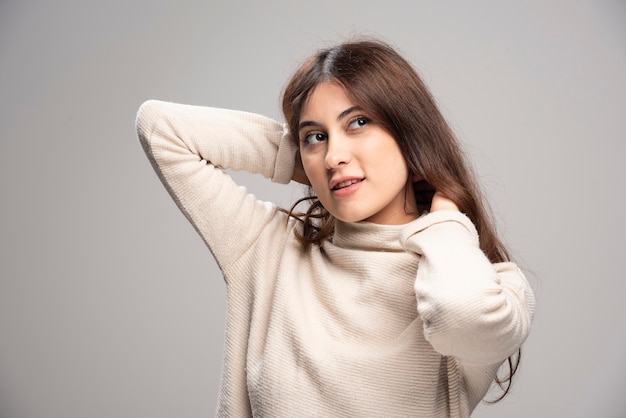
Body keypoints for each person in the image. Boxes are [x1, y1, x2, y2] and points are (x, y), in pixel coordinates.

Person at [135, 39, 535, 418]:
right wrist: (310, 164)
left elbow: (459, 313)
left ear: (410, 134)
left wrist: (445, 219)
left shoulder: (492, 288)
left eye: (358, 122)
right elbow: (162, 128)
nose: (334, 155)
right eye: (316, 136)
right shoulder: (270, 252)